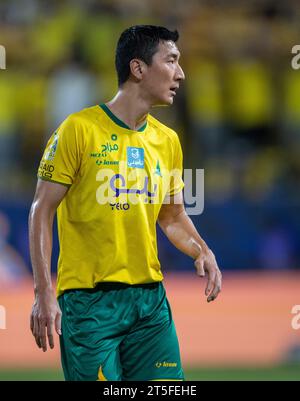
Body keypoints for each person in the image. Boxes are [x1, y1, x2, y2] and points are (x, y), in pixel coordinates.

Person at [29, 25, 222, 381]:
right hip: (89, 305)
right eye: (172, 60)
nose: (181, 73)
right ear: (138, 68)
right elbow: (41, 210)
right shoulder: (78, 130)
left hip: (149, 303)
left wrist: (201, 251)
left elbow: (173, 214)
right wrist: (44, 291)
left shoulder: (168, 141)